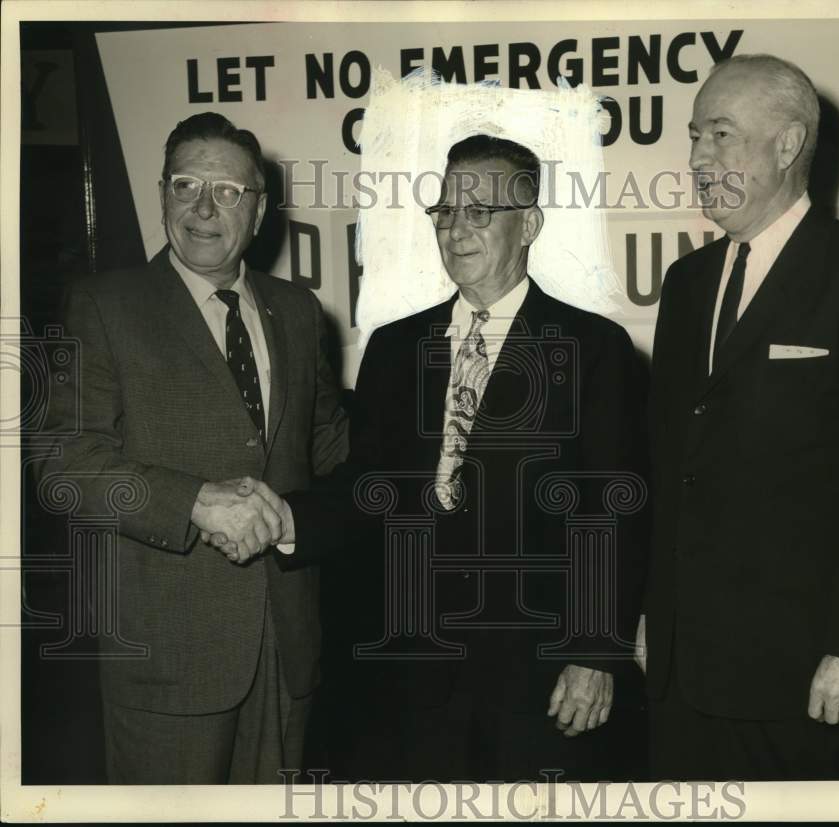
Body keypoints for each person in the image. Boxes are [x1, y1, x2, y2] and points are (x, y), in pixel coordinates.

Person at [235, 134, 648, 781]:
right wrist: (289, 520)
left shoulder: (594, 347)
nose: (456, 229)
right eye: (446, 210)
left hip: (537, 674)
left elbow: (613, 511)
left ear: (529, 225)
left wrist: (595, 652)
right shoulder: (396, 348)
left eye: (479, 211)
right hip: (409, 675)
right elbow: (368, 486)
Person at [637, 54, 839, 780]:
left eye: (721, 135)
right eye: (695, 136)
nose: (698, 159)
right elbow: (670, 465)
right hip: (680, 672)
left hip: (801, 675)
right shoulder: (687, 281)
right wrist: (650, 615)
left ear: (789, 143)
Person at [38, 112, 348, 784]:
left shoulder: (299, 311)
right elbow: (63, 464)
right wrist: (195, 502)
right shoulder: (104, 306)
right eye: (186, 185)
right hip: (167, 655)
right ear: (162, 194)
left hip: (288, 646)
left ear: (258, 211)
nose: (204, 208)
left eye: (228, 191)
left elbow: (332, 450)